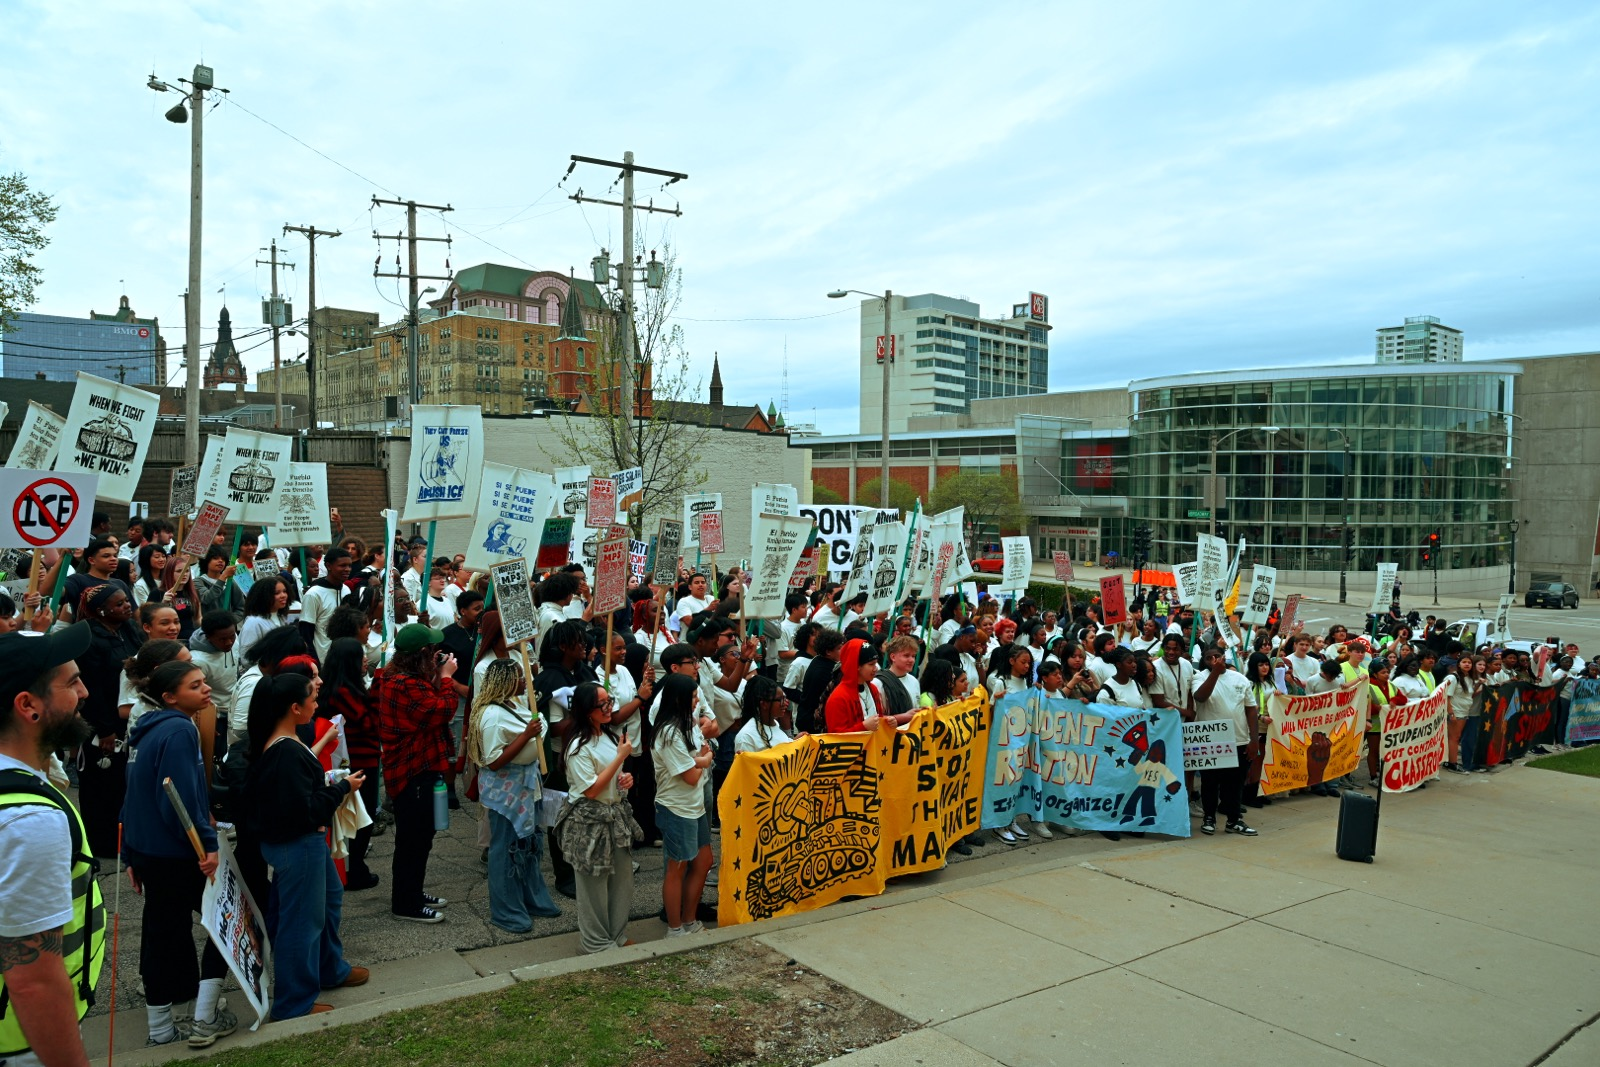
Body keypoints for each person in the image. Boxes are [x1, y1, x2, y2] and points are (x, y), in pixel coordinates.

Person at [0, 623, 104, 1067]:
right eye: (72, 683)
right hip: (24, 1047)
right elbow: (34, 982)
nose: (84, 693)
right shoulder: (29, 819)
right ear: (28, 706)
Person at [120, 660, 236, 1048]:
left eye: (204, 682)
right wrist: (208, 846)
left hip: (149, 850)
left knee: (161, 934)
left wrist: (130, 853)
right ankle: (205, 1016)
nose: (206, 689)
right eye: (195, 685)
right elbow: (180, 798)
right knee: (225, 919)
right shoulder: (180, 730)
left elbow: (133, 795)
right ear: (170, 697)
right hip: (176, 853)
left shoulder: (148, 728)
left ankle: (161, 1028)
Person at [243, 673, 368, 1019]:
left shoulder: (284, 742)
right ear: (294, 708)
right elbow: (304, 810)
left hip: (303, 842)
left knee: (328, 900)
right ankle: (293, 1003)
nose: (317, 702)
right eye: (312, 697)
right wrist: (342, 789)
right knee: (301, 922)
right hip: (298, 845)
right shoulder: (285, 751)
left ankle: (329, 968)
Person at [470, 658, 561, 934]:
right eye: (521, 677)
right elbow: (493, 761)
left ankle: (531, 899)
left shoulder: (514, 704)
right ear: (506, 681)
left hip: (524, 789)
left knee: (528, 847)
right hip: (505, 796)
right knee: (506, 850)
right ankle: (506, 911)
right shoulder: (491, 716)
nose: (526, 681)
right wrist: (526, 736)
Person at [375, 623, 458, 923]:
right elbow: (441, 710)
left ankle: (413, 892)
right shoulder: (404, 684)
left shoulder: (401, 677)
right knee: (412, 841)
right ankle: (405, 904)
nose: (437, 654)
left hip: (421, 769)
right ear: (422, 653)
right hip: (412, 772)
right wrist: (446, 678)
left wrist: (436, 674)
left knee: (422, 838)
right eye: (432, 651)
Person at [556, 682, 639, 953]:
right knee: (593, 885)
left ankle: (616, 934)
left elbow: (613, 777)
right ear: (586, 710)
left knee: (621, 881)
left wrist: (625, 779)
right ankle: (595, 942)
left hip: (615, 817)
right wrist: (619, 759)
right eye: (601, 704)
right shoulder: (578, 746)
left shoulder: (609, 736)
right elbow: (591, 790)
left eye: (609, 700)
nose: (608, 707)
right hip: (589, 824)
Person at [651, 673, 713, 937]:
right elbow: (690, 776)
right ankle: (674, 929)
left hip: (694, 805)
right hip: (676, 807)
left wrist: (699, 760)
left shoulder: (689, 725)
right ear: (678, 699)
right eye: (693, 696)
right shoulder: (668, 733)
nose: (697, 701)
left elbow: (700, 752)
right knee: (677, 867)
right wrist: (704, 761)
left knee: (704, 861)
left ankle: (690, 919)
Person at [319, 638, 382, 891]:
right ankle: (354, 870)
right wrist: (377, 688)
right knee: (361, 816)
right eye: (360, 655)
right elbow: (368, 723)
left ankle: (352, 868)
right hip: (358, 760)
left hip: (355, 758)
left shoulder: (340, 687)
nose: (365, 659)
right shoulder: (344, 692)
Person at [1192, 647, 1259, 837]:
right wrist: (1215, 672)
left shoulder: (1239, 678)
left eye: (1217, 656)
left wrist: (1253, 740)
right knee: (1210, 783)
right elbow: (1200, 697)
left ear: (1224, 657)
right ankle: (1209, 818)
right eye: (1208, 658)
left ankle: (1233, 820)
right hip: (1211, 742)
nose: (1213, 660)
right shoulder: (1199, 677)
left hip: (1238, 740)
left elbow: (1251, 709)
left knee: (1235, 784)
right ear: (1204, 660)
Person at [298, 547, 351, 662]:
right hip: (322, 659)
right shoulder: (313, 594)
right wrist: (313, 661)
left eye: (349, 565)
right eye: (342, 565)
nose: (347, 569)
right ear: (328, 566)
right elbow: (306, 632)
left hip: (343, 658)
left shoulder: (346, 590)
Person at [824, 639, 886, 734]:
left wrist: (887, 721)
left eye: (876, 663)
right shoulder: (838, 698)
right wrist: (863, 727)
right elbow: (835, 736)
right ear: (857, 666)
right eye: (871, 664)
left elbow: (878, 719)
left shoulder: (873, 689)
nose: (876, 668)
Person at [732, 674, 797, 753]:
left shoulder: (775, 724)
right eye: (780, 699)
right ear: (764, 704)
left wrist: (796, 741)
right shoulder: (746, 737)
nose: (785, 703)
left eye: (784, 698)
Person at [236, 576, 291, 663]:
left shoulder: (281, 617)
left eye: (284, 591)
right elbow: (246, 658)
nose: (283, 596)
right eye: (277, 593)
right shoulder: (254, 622)